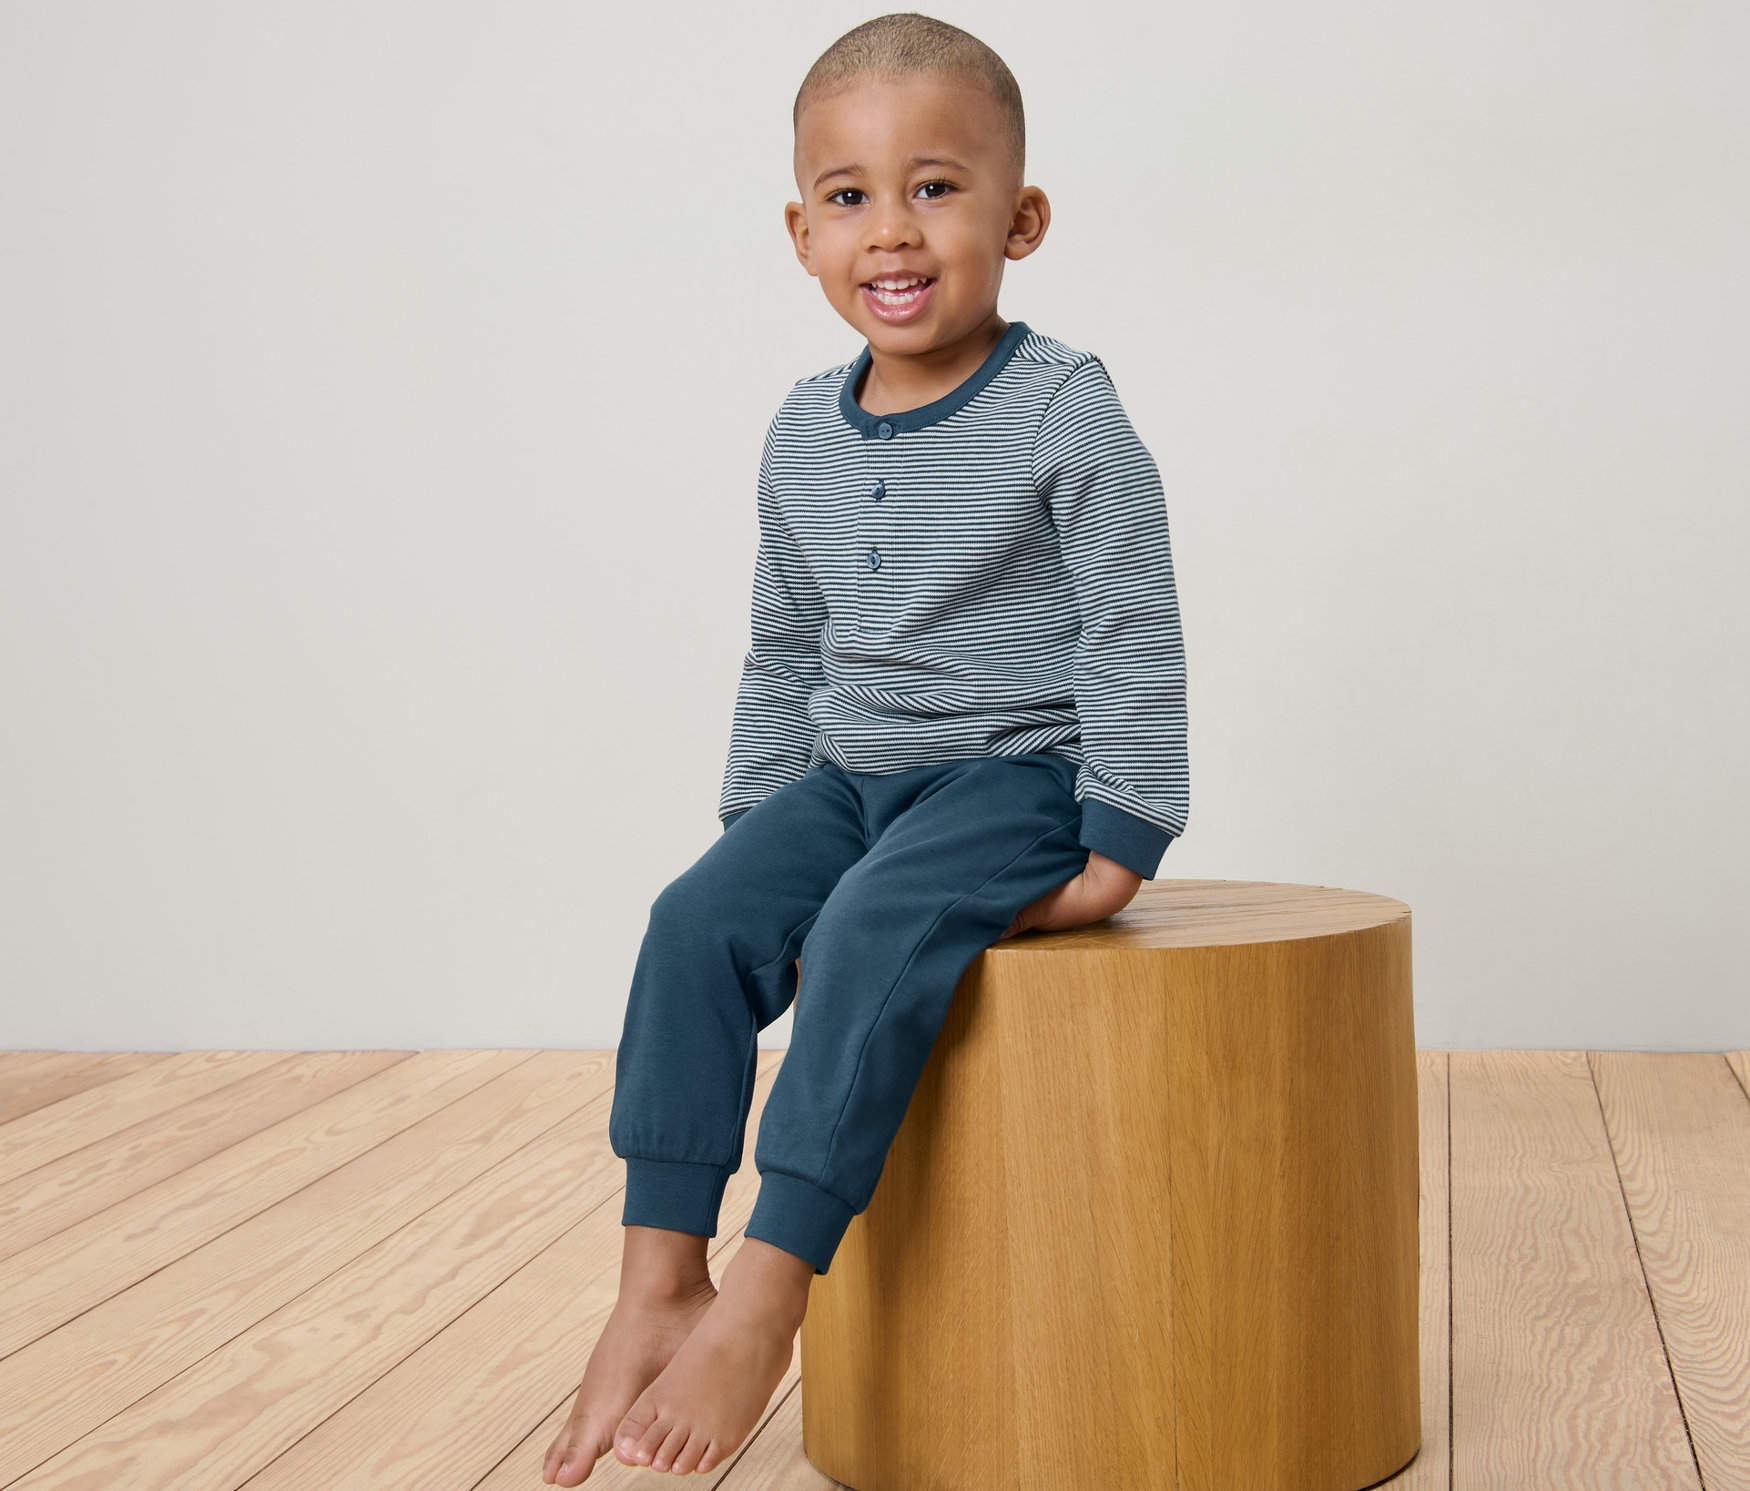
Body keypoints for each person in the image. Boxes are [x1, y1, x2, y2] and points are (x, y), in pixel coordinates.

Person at [543, 11, 1189, 1483]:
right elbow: (784, 643)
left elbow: (1132, 623)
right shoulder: (797, 431)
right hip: (847, 780)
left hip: (1008, 773)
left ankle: (770, 1285)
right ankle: (659, 1280)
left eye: (936, 188)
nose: (890, 232)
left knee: (873, 930)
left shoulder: (1061, 407)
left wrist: (1122, 838)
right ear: (798, 231)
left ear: (1019, 219)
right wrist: (758, 831)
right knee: (693, 922)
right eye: (849, 197)